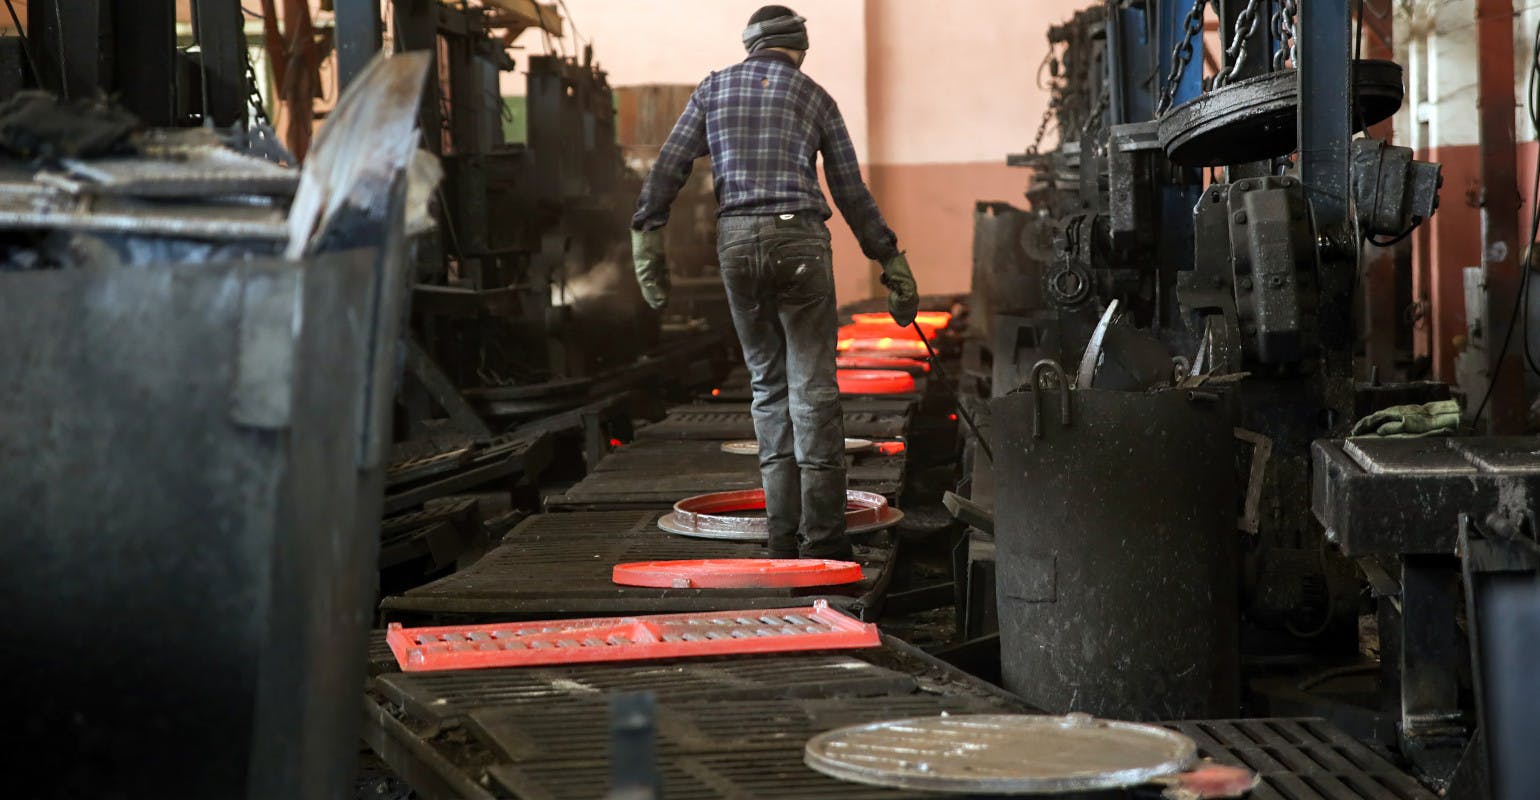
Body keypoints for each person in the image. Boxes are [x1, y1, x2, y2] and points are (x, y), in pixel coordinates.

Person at [630, 5, 918, 560]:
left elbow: (669, 165)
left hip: (737, 243)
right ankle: (825, 540)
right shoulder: (815, 96)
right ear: (799, 48)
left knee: (767, 387)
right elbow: (849, 189)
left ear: (751, 45)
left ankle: (782, 538)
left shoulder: (713, 89)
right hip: (800, 242)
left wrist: (647, 232)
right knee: (813, 389)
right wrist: (889, 258)